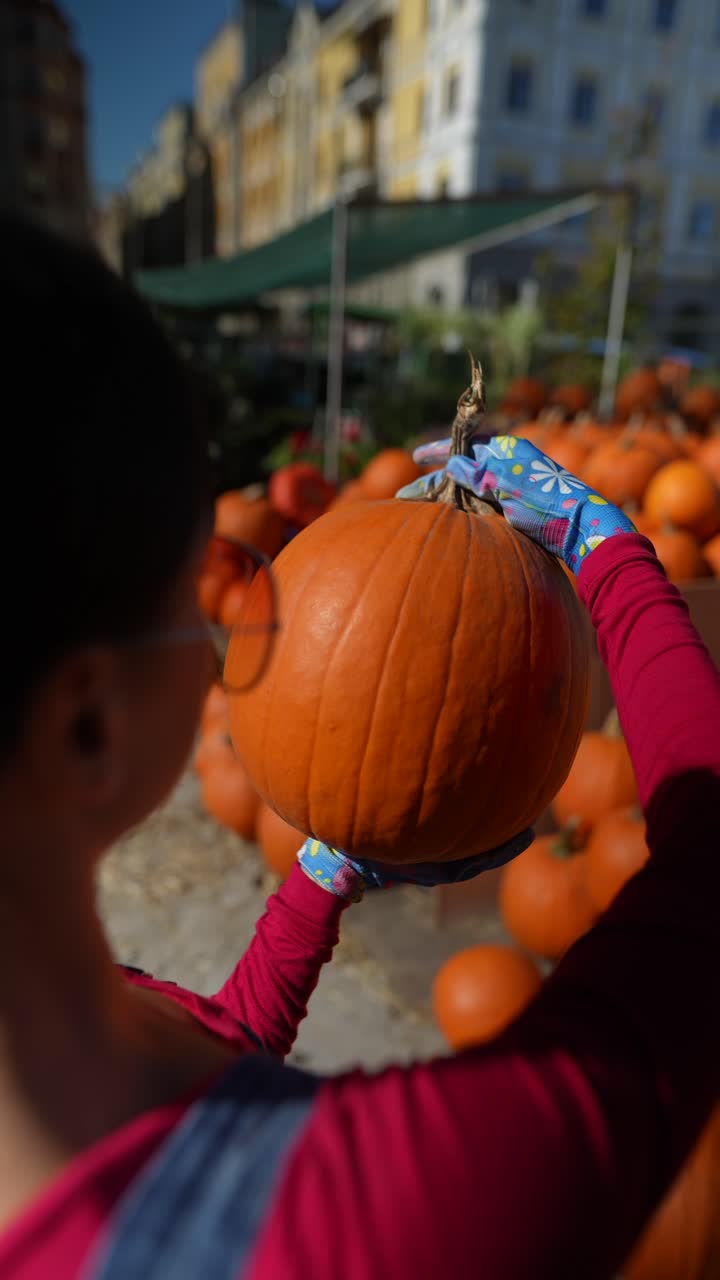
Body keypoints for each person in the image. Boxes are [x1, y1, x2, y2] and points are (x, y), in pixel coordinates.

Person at [0, 213, 717, 1280]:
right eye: (201, 593)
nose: (231, 635)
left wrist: (323, 879)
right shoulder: (388, 1212)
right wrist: (607, 552)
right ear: (89, 719)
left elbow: (205, 1069)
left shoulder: (68, 1020)